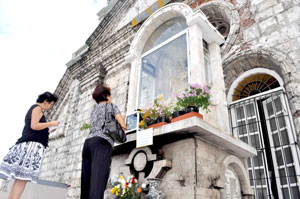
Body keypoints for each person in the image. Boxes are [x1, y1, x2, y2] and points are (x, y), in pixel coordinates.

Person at [0, 92, 59, 199]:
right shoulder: (37, 108)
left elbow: (34, 129)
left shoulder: (35, 109)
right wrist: (51, 123)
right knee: (22, 179)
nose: (51, 107)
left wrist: (47, 131)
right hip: (31, 147)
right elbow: (34, 125)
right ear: (46, 102)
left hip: (30, 144)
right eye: (51, 104)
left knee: (20, 178)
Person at [81, 84, 126, 199]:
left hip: (88, 143)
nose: (111, 97)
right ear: (106, 96)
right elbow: (123, 125)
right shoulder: (111, 106)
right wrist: (122, 121)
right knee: (98, 180)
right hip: (102, 143)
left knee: (87, 180)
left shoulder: (94, 111)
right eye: (110, 95)